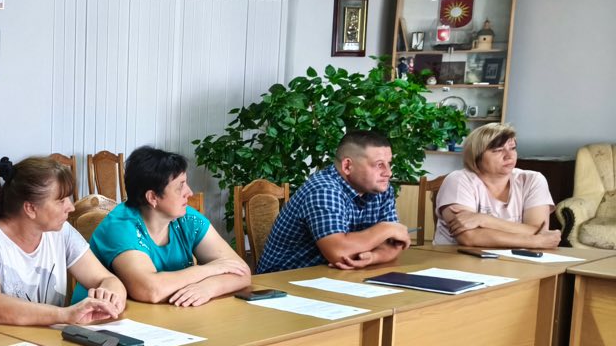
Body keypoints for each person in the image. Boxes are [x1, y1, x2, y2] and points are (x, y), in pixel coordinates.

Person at [0, 155, 127, 325]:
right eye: (61, 201)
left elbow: (107, 279)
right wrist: (65, 315)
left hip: (51, 338)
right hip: (3, 339)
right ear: (30, 208)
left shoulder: (62, 232)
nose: (71, 207)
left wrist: (111, 296)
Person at [87, 146, 251, 307]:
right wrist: (209, 270)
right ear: (152, 197)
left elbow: (242, 272)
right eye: (180, 186)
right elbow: (151, 290)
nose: (189, 192)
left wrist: (208, 288)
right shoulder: (120, 227)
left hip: (166, 316)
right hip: (104, 319)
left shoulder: (187, 218)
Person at [256, 130, 411, 274]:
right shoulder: (324, 189)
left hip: (332, 277)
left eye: (389, 163)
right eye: (379, 165)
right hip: (281, 281)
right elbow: (339, 253)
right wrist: (386, 229)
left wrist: (373, 257)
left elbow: (395, 243)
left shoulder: (380, 189)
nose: (388, 173)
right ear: (347, 166)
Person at [434, 123, 560, 248]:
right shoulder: (458, 180)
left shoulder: (533, 180)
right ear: (476, 156)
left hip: (514, 258)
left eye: (512, 148)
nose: (509, 156)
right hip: (456, 257)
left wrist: (483, 220)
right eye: (498, 150)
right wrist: (534, 241)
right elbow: (469, 237)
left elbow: (539, 230)